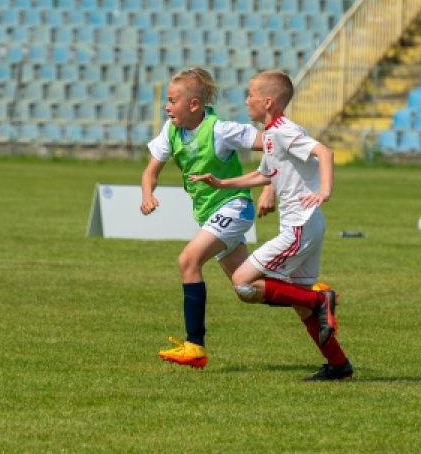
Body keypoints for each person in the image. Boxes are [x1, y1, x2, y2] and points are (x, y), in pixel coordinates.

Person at [189, 70, 354, 381]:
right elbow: (265, 175)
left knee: (243, 283)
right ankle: (338, 364)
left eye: (251, 94)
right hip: (308, 226)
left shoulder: (283, 132)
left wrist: (324, 190)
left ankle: (321, 299)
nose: (246, 99)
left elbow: (324, 152)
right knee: (301, 307)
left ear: (267, 101)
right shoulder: (271, 135)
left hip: (298, 226)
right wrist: (222, 183)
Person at [140, 67, 274, 369]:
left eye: (172, 100)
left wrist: (271, 185)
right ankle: (313, 298)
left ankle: (195, 346)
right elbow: (151, 171)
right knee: (248, 290)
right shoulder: (170, 130)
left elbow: (275, 143)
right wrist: (147, 194)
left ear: (193, 105)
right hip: (209, 215)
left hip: (233, 207)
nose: (166, 106)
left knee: (188, 261)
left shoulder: (220, 130)